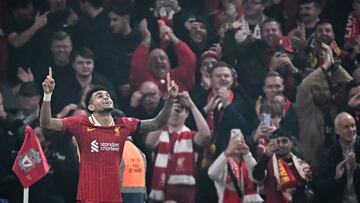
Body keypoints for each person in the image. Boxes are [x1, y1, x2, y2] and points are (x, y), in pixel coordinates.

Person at [40, 67, 179, 203]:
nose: (106, 97)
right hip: (89, 199)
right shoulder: (80, 124)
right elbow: (46, 123)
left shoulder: (123, 125)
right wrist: (47, 95)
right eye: (100, 96)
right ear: (91, 107)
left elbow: (157, 123)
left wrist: (171, 100)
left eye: (107, 95)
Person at [145, 92, 211, 203]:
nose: (175, 114)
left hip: (184, 195)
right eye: (172, 110)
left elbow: (206, 135)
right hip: (158, 195)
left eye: (179, 110)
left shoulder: (191, 136)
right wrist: (166, 109)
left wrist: (191, 105)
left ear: (187, 113)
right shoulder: (159, 132)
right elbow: (149, 144)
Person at [252, 129, 313, 203]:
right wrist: (266, 156)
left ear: (292, 142)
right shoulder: (268, 162)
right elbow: (257, 176)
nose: (280, 145)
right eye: (277, 142)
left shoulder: (301, 164)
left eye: (284, 141)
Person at [317, 112, 360, 203]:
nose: (351, 130)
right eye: (346, 127)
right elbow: (321, 187)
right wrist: (336, 178)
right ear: (337, 130)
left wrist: (356, 168)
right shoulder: (329, 153)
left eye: (353, 126)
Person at [208, 132, 263, 203]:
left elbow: (258, 178)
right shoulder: (223, 163)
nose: (238, 143)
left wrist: (247, 154)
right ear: (228, 144)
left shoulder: (249, 160)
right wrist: (227, 152)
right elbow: (211, 174)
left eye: (241, 141)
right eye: (234, 141)